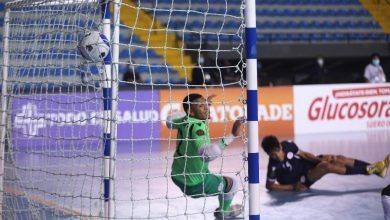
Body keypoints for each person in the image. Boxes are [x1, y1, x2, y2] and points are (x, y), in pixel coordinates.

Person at [166, 93, 244, 219]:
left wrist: (200, 109)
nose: (207, 107)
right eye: (201, 106)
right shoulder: (198, 128)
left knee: (206, 170)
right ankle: (224, 212)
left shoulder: (183, 120)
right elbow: (206, 155)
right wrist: (233, 135)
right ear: (191, 112)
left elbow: (169, 121)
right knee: (231, 185)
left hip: (176, 175)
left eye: (206, 104)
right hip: (195, 184)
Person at [261, 135, 390, 192]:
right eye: (272, 154)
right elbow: (270, 186)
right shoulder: (273, 166)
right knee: (326, 166)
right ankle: (369, 169)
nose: (276, 156)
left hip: (306, 166)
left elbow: (305, 155)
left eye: (277, 151)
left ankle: (378, 170)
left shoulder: (287, 145)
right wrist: (293, 187)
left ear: (279, 145)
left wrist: (319, 160)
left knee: (336, 158)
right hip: (303, 179)